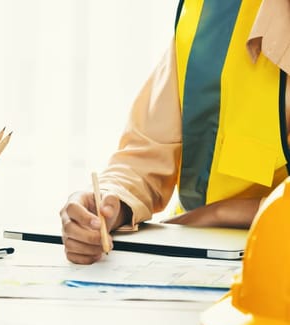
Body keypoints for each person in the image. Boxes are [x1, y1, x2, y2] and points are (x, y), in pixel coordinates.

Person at [60, 0, 289, 264]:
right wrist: (109, 203)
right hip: (199, 269)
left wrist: (222, 214)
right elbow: (145, 156)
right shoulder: (214, 12)